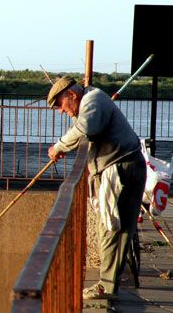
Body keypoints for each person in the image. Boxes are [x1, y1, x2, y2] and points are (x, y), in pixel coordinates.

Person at [46, 76, 146, 300]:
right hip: (121, 167)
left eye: (60, 105)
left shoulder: (93, 100)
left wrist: (59, 146)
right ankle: (107, 285)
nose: (62, 112)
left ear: (71, 95)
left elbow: (85, 128)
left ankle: (107, 288)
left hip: (121, 169)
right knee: (114, 229)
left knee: (113, 229)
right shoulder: (92, 99)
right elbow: (85, 129)